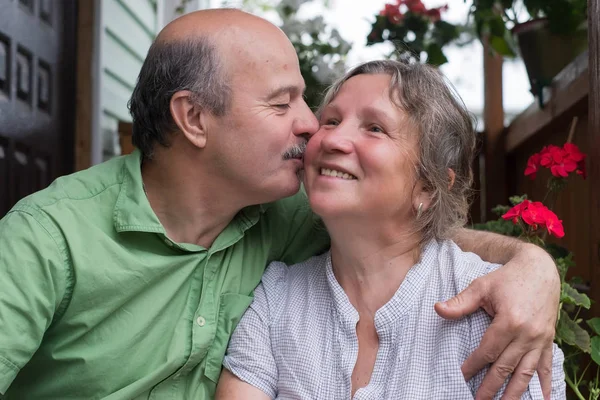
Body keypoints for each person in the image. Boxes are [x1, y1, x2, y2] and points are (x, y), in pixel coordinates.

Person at [0, 9, 558, 400]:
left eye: (306, 100)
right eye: (281, 102)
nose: (311, 125)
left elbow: (400, 232)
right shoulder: (46, 241)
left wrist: (532, 267)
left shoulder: (289, 215)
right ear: (194, 118)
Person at [216, 60, 566, 400]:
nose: (334, 139)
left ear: (428, 186)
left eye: (374, 128)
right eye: (331, 120)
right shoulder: (275, 298)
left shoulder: (498, 313)